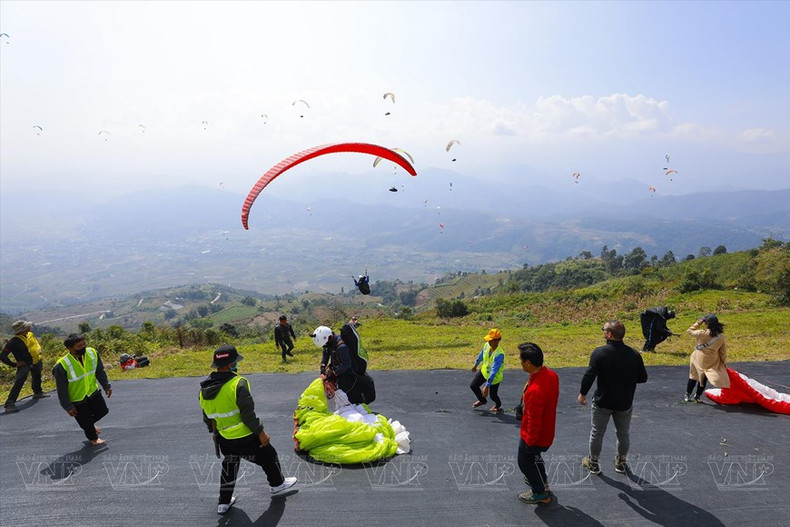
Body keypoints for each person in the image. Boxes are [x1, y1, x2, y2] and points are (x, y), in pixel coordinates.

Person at [199, 345, 297, 515]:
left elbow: (208, 417)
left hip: (224, 437)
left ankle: (223, 502)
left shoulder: (204, 389)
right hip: (245, 436)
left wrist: (213, 433)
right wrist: (261, 433)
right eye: (235, 362)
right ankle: (277, 484)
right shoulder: (238, 383)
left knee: (230, 464)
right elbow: (248, 415)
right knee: (269, 454)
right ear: (230, 365)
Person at [578, 320, 647, 476]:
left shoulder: (599, 353)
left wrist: (582, 394)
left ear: (609, 334)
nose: (603, 332)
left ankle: (593, 463)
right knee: (623, 434)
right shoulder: (634, 354)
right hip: (624, 402)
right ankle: (621, 463)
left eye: (604, 330)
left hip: (603, 401)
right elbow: (642, 378)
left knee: (597, 433)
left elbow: (589, 376)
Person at [517, 343, 559, 505]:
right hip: (548, 431)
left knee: (525, 462)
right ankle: (543, 483)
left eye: (521, 360)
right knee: (535, 458)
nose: (519, 362)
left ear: (528, 363)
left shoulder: (535, 390)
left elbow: (534, 421)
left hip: (534, 436)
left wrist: (529, 442)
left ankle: (539, 492)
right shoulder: (550, 375)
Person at [52, 334, 112, 445]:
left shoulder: (92, 353)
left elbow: (99, 371)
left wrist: (106, 385)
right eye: (79, 346)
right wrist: (67, 406)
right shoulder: (62, 365)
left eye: (84, 344)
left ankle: (88, 425)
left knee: (103, 411)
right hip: (77, 398)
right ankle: (94, 439)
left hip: (92, 392)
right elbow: (61, 389)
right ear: (70, 348)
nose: (83, 347)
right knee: (85, 419)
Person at [312, 325, 375, 404]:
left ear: (329, 337)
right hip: (340, 371)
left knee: (348, 397)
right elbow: (326, 353)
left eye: (325, 344)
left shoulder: (342, 347)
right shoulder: (329, 342)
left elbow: (346, 364)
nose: (325, 346)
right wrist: (323, 366)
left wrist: (334, 374)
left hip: (348, 375)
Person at [2, 320, 46, 412]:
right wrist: (14, 364)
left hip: (36, 361)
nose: (29, 328)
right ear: (23, 329)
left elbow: (35, 343)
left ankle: (38, 392)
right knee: (19, 383)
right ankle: (9, 404)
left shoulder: (30, 334)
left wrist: (39, 349)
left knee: (37, 376)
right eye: (27, 327)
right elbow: (2, 356)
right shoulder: (13, 342)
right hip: (24, 365)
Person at [684, 313, 729, 402]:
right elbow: (723, 352)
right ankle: (697, 396)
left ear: (707, 323)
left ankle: (687, 395)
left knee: (693, 376)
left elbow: (689, 331)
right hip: (711, 359)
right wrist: (723, 362)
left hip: (698, 357)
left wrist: (698, 322)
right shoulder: (721, 337)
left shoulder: (701, 333)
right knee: (703, 378)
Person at [470, 328, 505, 412]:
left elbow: (494, 370)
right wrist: (475, 365)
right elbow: (481, 355)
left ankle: (498, 405)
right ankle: (482, 400)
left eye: (491, 340)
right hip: (484, 372)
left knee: (493, 395)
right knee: (473, 385)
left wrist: (487, 386)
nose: (489, 342)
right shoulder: (486, 345)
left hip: (494, 377)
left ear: (497, 341)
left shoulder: (499, 354)